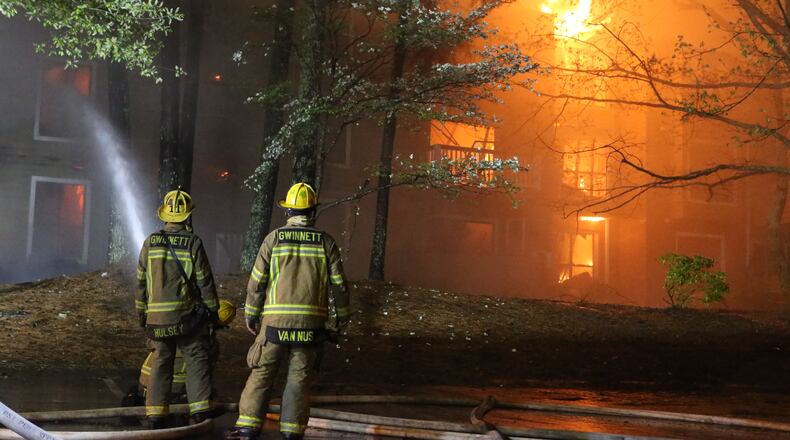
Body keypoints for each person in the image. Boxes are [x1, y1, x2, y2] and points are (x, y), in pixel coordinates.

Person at [226, 183, 350, 440]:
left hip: (274, 324)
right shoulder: (326, 242)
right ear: (313, 211)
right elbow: (339, 285)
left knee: (261, 373)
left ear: (288, 212)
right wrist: (340, 320)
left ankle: (248, 428)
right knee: (299, 379)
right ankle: (292, 432)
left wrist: (251, 314)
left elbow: (257, 281)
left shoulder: (274, 238)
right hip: (311, 326)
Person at [135, 188, 220, 429]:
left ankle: (155, 415)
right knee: (195, 359)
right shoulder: (193, 242)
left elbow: (140, 282)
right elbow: (205, 281)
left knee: (161, 361)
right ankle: (201, 413)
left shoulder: (150, 242)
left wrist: (142, 315)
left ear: (164, 215)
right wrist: (212, 313)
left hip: (157, 321)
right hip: (186, 320)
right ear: (187, 216)